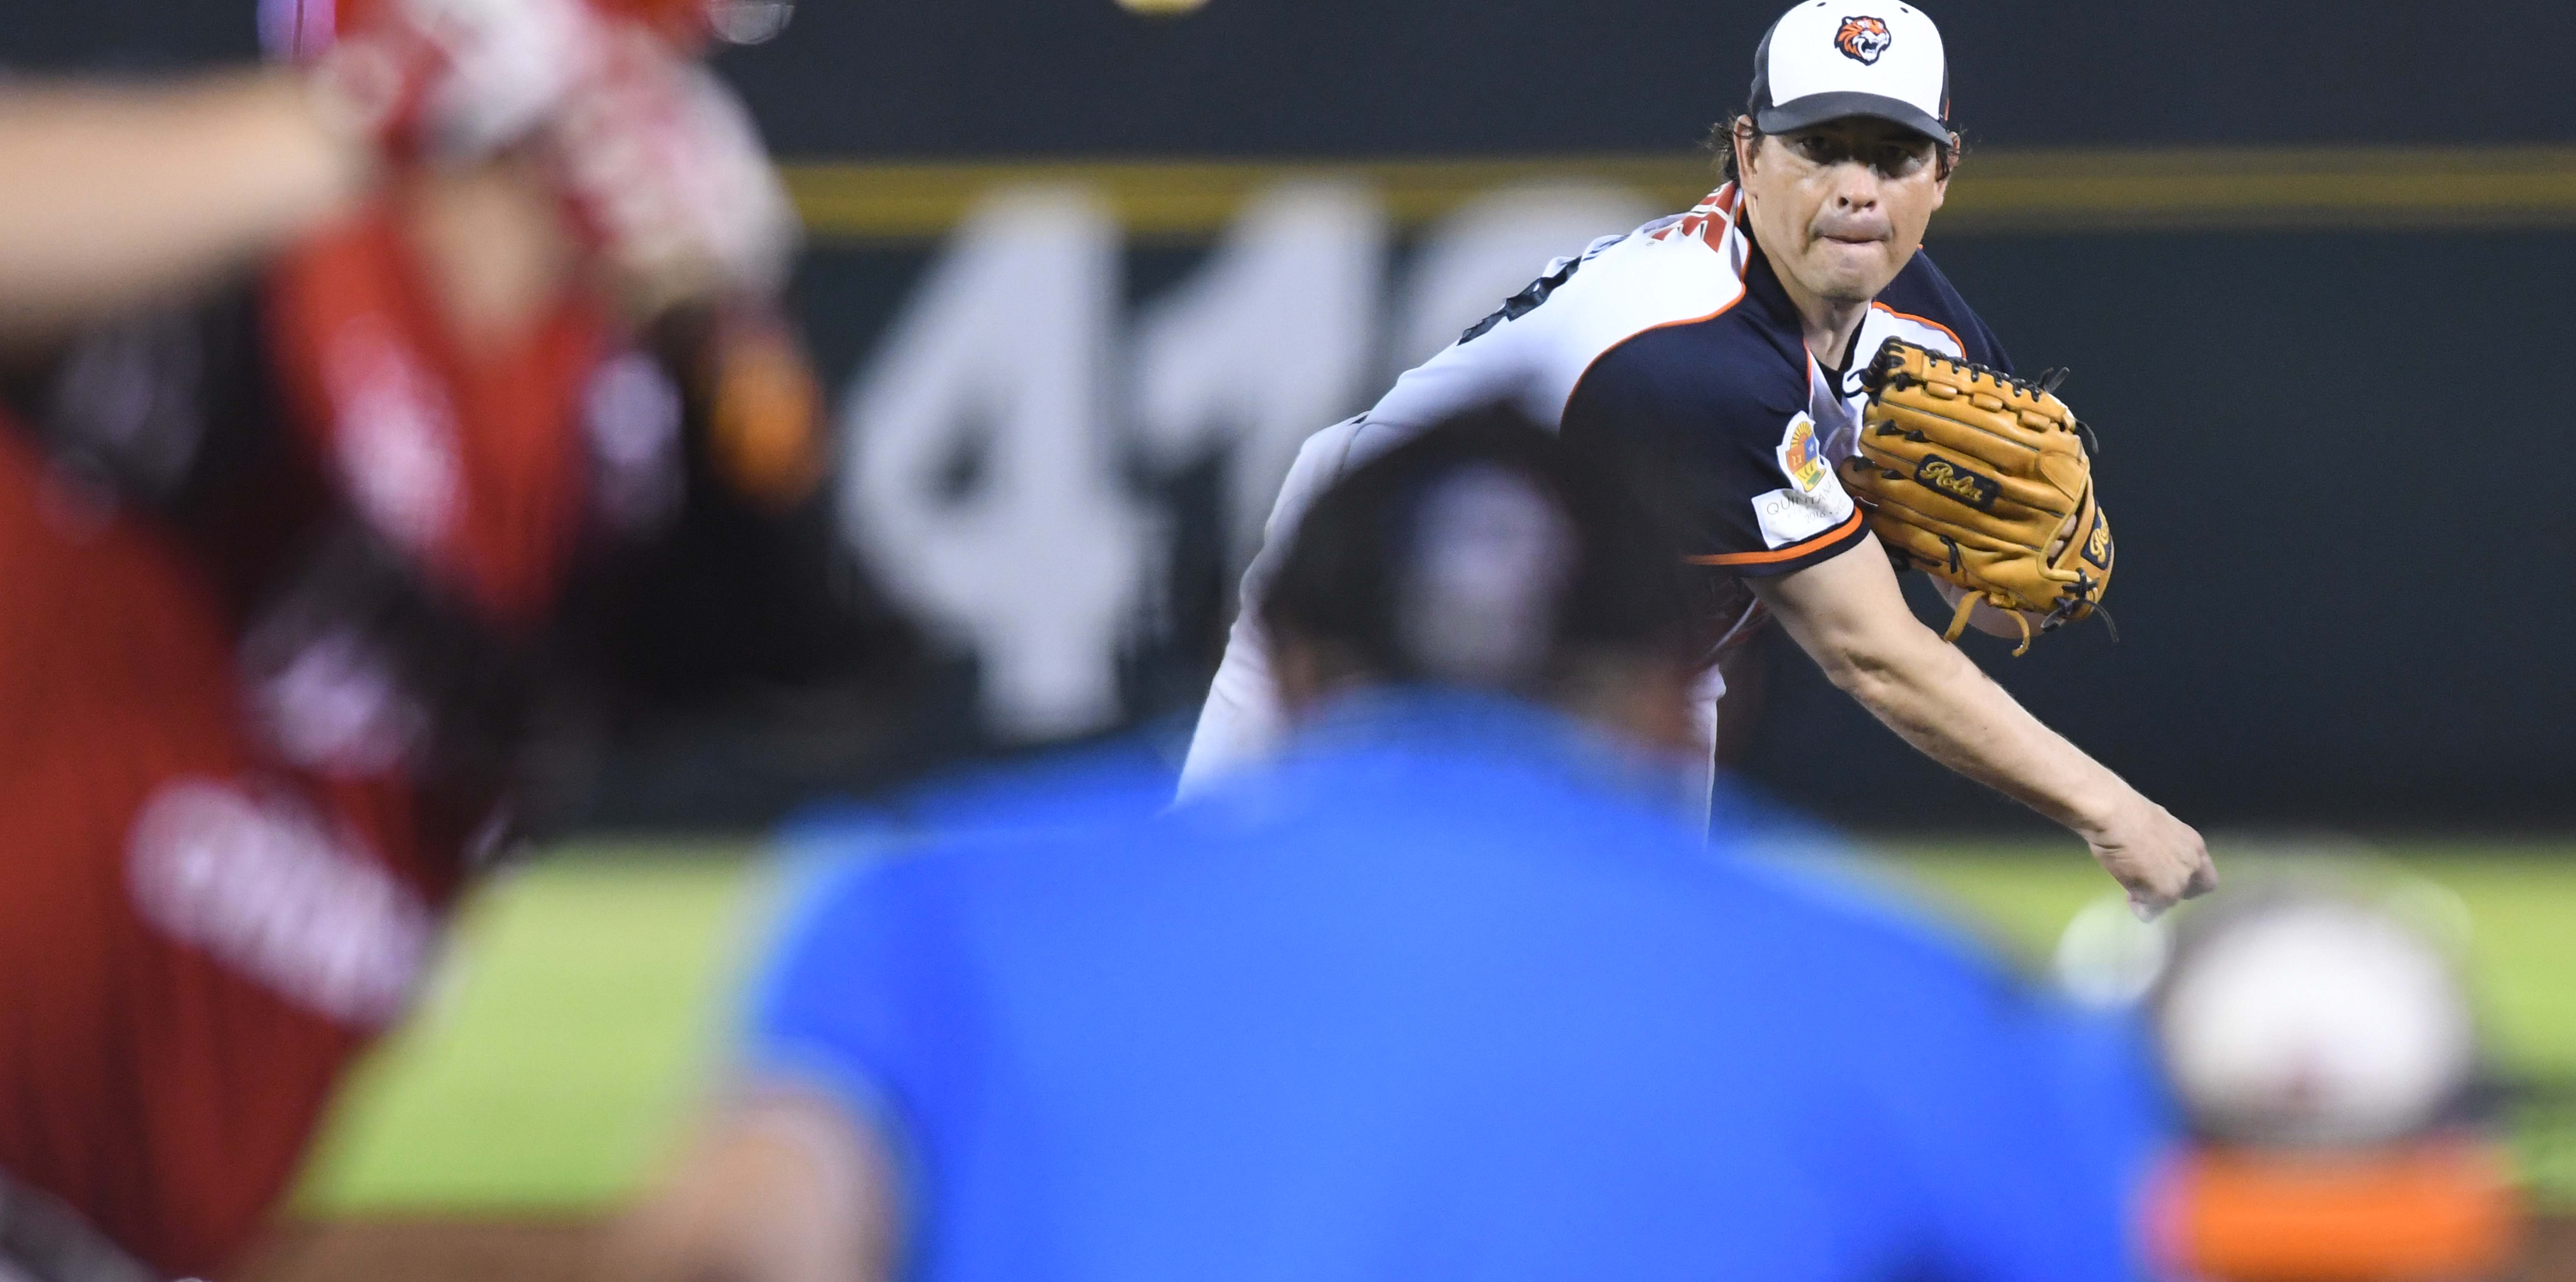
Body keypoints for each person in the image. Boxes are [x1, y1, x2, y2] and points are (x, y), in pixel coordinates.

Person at [0, 0, 892, 1280]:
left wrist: (730, 341)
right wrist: (359, 116)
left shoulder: (609, 456)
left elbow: (826, 648)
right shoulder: (213, 273)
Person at [621, 406, 2165, 1282]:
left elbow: (742, 1244)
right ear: (1679, 695)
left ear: (1286, 669)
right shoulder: (1922, 994)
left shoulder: (928, 907)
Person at [1181, 0, 2217, 921]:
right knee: (1234, 928)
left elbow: (1993, 593)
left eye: (1893, 155)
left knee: (1623, 980)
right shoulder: (1692, 350)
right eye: (1818, 147)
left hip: (1627, 639)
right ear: (1747, 154)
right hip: (1375, 600)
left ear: (1942, 173)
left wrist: (2018, 574)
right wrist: (2113, 812)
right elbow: (1869, 652)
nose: (1856, 190)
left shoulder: (1910, 313)